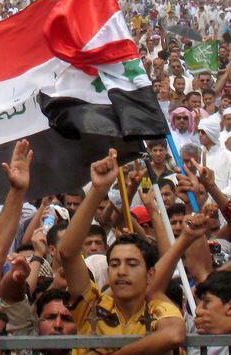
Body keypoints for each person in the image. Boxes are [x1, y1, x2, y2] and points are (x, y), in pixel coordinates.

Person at [58, 150, 185, 354]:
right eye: (114, 264)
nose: (121, 271)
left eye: (132, 264)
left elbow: (174, 335)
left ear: (150, 274)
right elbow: (67, 253)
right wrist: (98, 190)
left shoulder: (158, 308)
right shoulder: (91, 306)